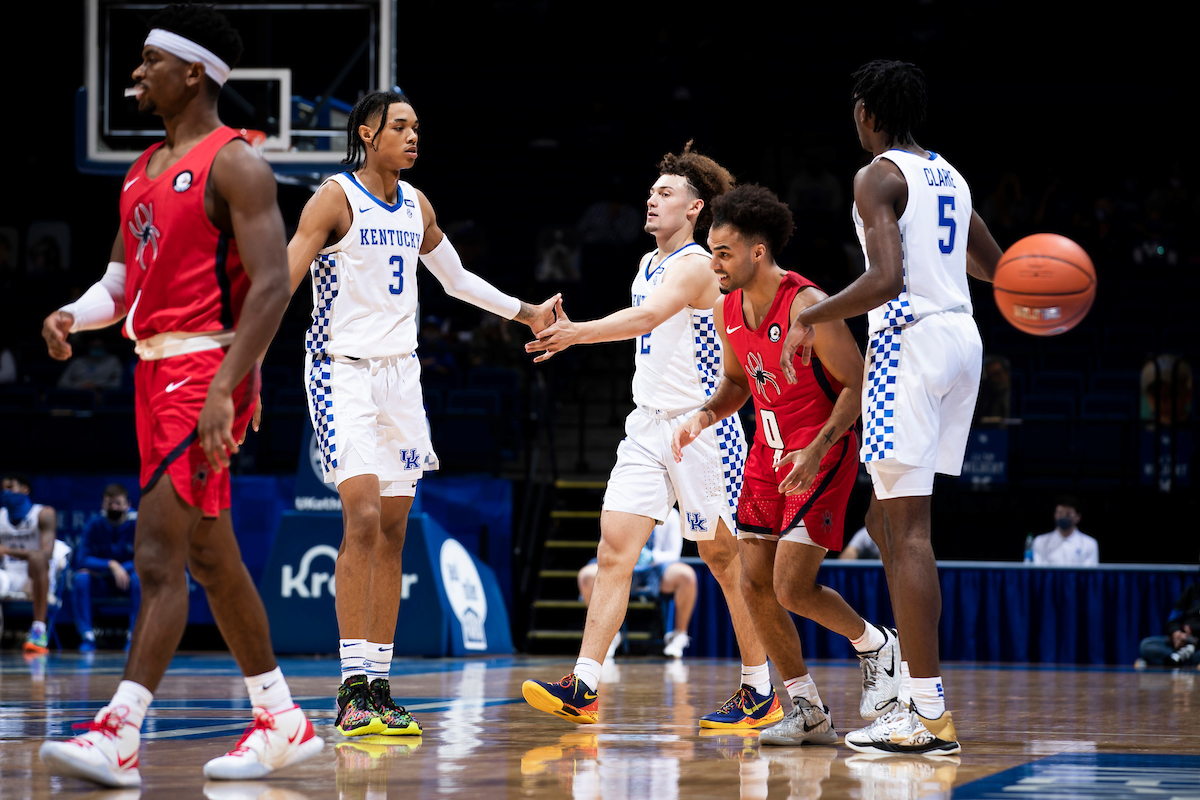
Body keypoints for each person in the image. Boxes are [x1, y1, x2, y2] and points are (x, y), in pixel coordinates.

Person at [38, 4, 321, 787]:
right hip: (151, 368)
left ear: (192, 72)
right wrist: (74, 314)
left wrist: (228, 387)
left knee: (157, 555)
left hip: (204, 373)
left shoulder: (238, 164)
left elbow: (271, 288)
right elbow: (121, 283)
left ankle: (121, 733)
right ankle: (283, 718)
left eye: (148, 61)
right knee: (210, 558)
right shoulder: (140, 171)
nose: (135, 73)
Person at [282, 89, 558, 738]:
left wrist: (526, 312)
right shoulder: (334, 198)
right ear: (366, 133)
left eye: (416, 127)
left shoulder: (416, 204)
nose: (413, 136)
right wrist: (242, 364)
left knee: (396, 531)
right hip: (340, 370)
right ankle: (350, 689)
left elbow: (457, 281)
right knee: (364, 516)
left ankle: (379, 686)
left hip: (401, 379)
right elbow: (285, 276)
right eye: (400, 126)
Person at [779, 60, 1006, 756]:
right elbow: (994, 267)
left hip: (908, 345)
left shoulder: (877, 173)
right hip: (962, 339)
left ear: (867, 113)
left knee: (906, 531)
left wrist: (812, 314)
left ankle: (926, 712)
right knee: (889, 517)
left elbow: (885, 279)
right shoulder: (951, 175)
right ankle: (909, 684)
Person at [522, 143, 774, 730]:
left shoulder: (693, 263)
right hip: (647, 424)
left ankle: (759, 687)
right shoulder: (646, 262)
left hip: (700, 425)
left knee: (723, 559)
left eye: (665, 193)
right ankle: (584, 683)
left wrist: (575, 332)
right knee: (614, 550)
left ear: (696, 208)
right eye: (652, 191)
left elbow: (644, 320)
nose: (651, 199)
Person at [671, 184, 900, 747]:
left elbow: (857, 384)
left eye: (723, 252)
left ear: (758, 251)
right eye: (710, 251)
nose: (714, 262)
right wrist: (704, 415)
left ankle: (877, 644)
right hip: (766, 456)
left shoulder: (805, 303)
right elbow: (734, 383)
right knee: (754, 587)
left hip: (820, 450)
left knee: (792, 587)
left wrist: (818, 447)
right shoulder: (727, 305)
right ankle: (807, 709)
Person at [576, 508, 696, 659]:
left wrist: (651, 557)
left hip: (655, 568)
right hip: (622, 563)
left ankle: (679, 635)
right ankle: (607, 634)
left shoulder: (671, 514)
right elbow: (606, 546)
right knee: (586, 576)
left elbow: (673, 554)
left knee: (686, 576)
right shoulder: (620, 507)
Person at [72, 484, 140, 652]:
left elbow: (145, 559)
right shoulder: (94, 524)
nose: (113, 507)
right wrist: (111, 565)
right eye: (109, 504)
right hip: (103, 581)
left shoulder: (137, 525)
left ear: (128, 505)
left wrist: (123, 568)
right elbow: (82, 560)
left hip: (128, 582)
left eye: (118, 503)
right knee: (81, 578)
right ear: (103, 505)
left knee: (139, 580)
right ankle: (87, 636)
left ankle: (135, 637)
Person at [0, 473, 60, 654]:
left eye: (10, 487)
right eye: (3, 488)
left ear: (25, 489)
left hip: (34, 576)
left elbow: (45, 555)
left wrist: (8, 551)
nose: (5, 492)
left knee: (37, 559)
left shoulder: (44, 513)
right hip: (9, 574)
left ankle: (38, 630)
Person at [1137, 576, 1200, 667]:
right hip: (1182, 643)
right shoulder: (1192, 590)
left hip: (1198, 646)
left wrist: (1193, 630)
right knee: (1147, 645)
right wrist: (1177, 633)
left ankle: (1158, 663)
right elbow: (1172, 620)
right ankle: (1182, 661)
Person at [1030, 496, 1098, 566]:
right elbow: (1038, 571)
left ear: (1078, 517)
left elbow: (1089, 573)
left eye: (1068, 514)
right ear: (1055, 515)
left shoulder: (1089, 543)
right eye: (1060, 513)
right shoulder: (1040, 541)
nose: (1063, 516)